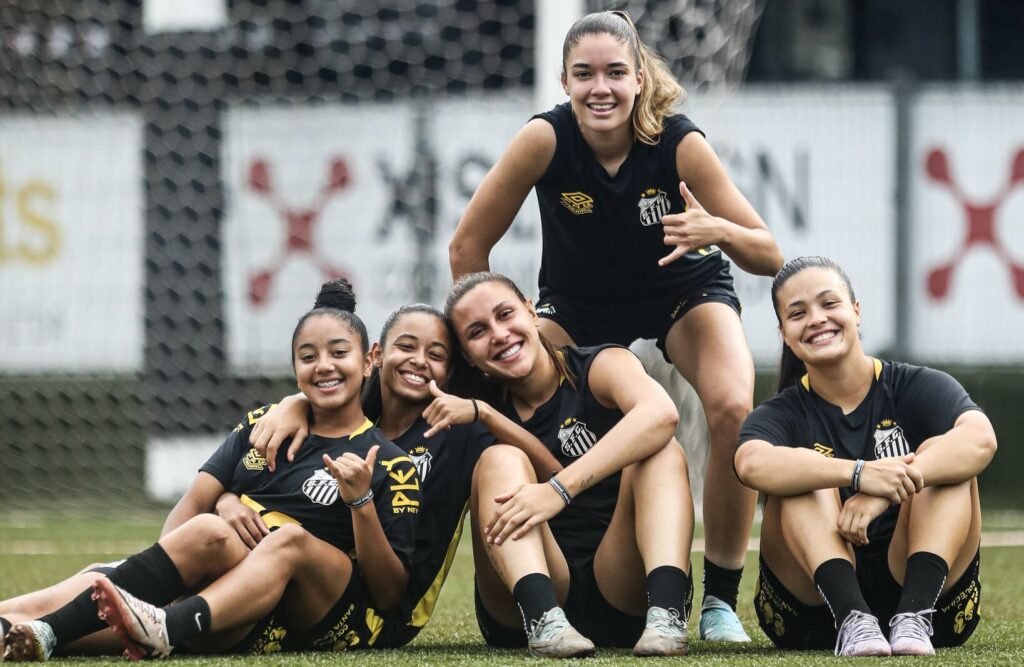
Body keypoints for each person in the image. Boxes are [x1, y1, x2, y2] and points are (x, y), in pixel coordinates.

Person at [448, 10, 783, 641]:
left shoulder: (680, 143)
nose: (599, 87)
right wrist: (481, 364)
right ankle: (560, 573)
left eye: (614, 73)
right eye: (584, 75)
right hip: (576, 306)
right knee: (524, 409)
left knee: (734, 406)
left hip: (680, 289)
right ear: (564, 81)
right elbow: (467, 249)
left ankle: (716, 603)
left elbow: (767, 253)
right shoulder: (543, 140)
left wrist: (718, 231)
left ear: (638, 79)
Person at [3, 304, 420, 661]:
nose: (324, 365)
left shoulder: (392, 465)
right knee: (43, 609)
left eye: (339, 353)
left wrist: (360, 500)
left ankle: (167, 624)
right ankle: (51, 630)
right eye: (307, 356)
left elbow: (387, 595)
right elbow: (189, 512)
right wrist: (220, 506)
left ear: (370, 360)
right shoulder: (262, 425)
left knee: (288, 540)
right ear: (295, 369)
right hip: (210, 592)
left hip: (299, 615)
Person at [245, 295, 562, 647]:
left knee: (503, 456)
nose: (419, 361)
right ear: (376, 355)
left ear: (449, 372)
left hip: (391, 611)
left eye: (436, 355)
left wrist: (483, 412)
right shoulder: (345, 424)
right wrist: (295, 403)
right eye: (407, 346)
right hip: (319, 591)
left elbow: (552, 474)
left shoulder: (458, 432)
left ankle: (543, 614)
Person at [734, 256, 996, 656]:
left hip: (926, 598)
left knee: (940, 456)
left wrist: (888, 488)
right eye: (798, 313)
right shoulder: (781, 412)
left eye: (829, 304)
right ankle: (854, 619)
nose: (817, 319)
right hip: (814, 613)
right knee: (800, 469)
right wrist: (857, 474)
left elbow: (981, 439)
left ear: (856, 311)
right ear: (785, 333)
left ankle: (914, 616)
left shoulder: (914, 385)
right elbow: (751, 463)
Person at [444, 271, 695, 658]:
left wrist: (559, 491)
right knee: (499, 457)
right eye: (477, 332)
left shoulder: (600, 365)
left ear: (531, 311)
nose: (498, 333)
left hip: (619, 587)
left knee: (660, 448)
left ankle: (666, 615)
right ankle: (545, 620)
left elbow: (661, 413)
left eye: (505, 314)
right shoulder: (470, 407)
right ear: (466, 355)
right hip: (521, 607)